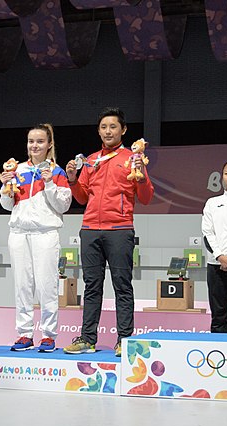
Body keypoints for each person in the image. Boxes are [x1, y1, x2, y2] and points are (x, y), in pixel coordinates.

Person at [63, 107, 154, 357]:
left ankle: (124, 339)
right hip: (90, 229)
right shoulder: (91, 160)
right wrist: (72, 179)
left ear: (123, 130)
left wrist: (142, 174)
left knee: (122, 286)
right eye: (103, 127)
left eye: (113, 126)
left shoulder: (132, 159)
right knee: (92, 286)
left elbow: (146, 198)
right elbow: (81, 198)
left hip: (120, 229)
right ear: (98, 131)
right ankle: (87, 339)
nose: (108, 131)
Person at [0, 123, 72, 352]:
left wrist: (49, 181)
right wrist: (5, 188)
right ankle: (24, 334)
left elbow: (64, 205)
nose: (34, 145)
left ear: (49, 144)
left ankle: (49, 336)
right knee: (22, 286)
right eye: (31, 141)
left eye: (40, 141)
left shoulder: (57, 171)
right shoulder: (17, 170)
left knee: (46, 286)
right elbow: (8, 205)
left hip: (45, 233)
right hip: (19, 233)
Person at [202, 159, 227, 334]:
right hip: (216, 266)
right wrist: (220, 256)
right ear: (222, 177)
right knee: (218, 316)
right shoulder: (212, 202)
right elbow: (207, 233)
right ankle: (217, 357)